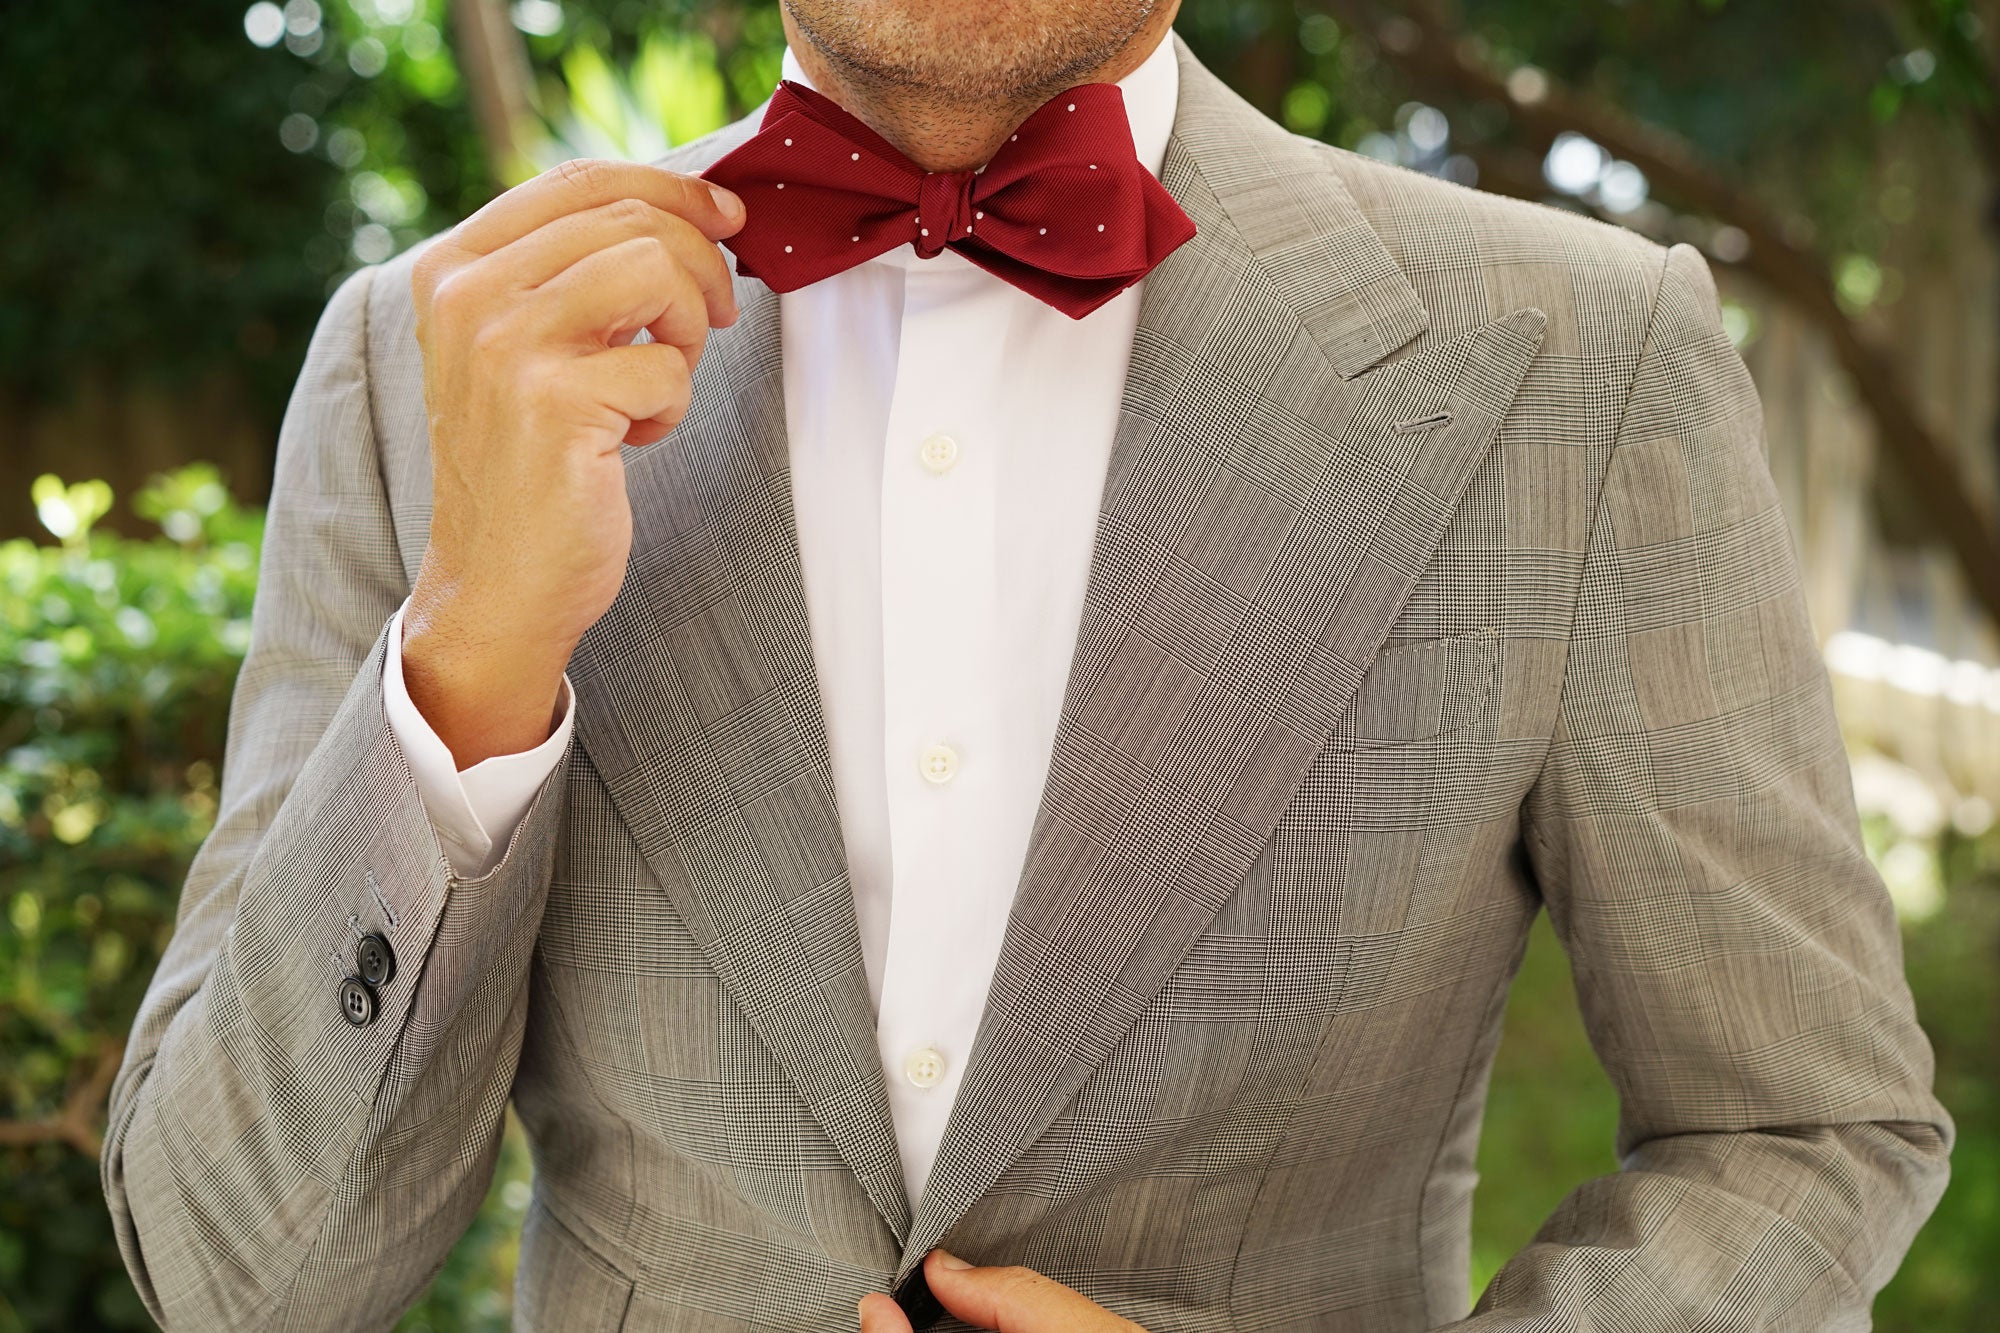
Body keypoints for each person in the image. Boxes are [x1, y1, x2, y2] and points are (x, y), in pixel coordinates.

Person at [102, 0, 1953, 1328]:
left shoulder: (1583, 356)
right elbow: (241, 1277)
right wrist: (469, 661)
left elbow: (1799, 1128)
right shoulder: (417, 366)